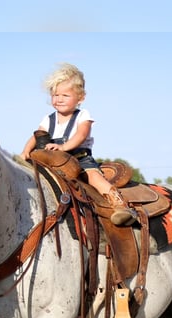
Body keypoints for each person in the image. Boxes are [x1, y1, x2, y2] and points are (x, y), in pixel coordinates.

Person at [22, 63, 136, 226]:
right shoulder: (48, 119)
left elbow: (81, 135)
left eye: (65, 96)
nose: (59, 99)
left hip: (80, 160)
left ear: (80, 97)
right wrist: (25, 152)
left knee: (95, 178)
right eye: (55, 95)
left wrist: (63, 147)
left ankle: (120, 205)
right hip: (55, 163)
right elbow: (36, 136)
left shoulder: (83, 116)